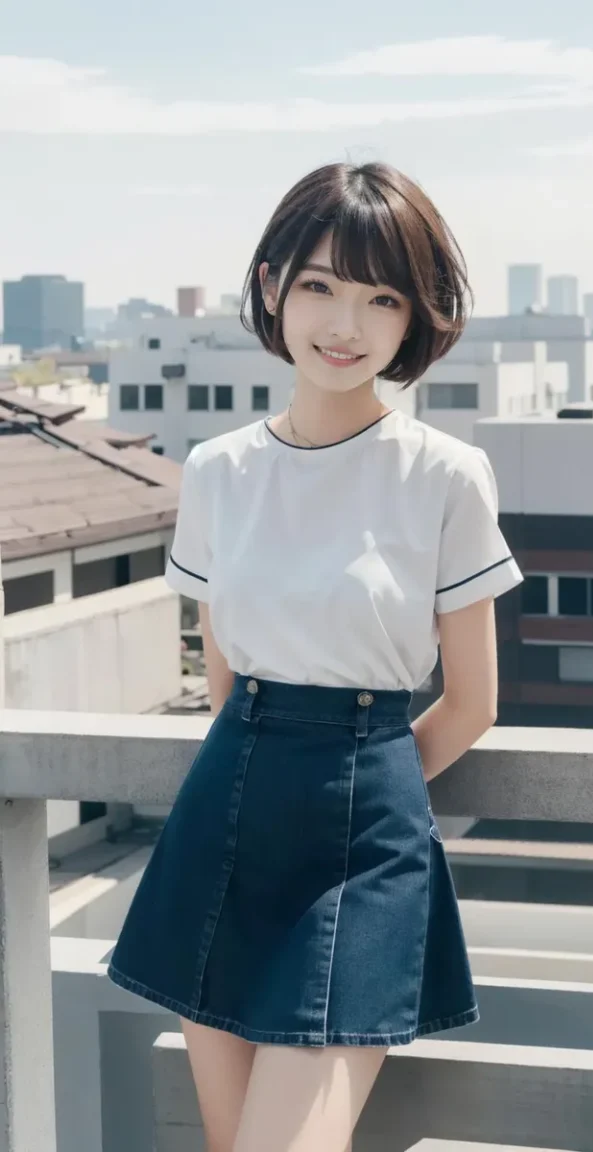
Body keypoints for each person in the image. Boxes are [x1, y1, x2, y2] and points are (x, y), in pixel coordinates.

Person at [107, 161, 523, 1152]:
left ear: (414, 318)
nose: (348, 324)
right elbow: (222, 677)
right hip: (226, 817)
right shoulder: (217, 472)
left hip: (364, 835)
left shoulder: (445, 476)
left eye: (382, 297)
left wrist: (362, 782)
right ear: (270, 288)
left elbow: (470, 705)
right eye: (322, 286)